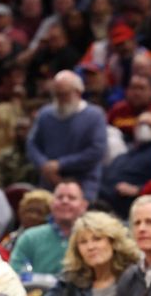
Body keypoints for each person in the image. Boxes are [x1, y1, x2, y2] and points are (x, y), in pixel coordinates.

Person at [27, 70, 107, 201]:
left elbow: (96, 151)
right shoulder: (45, 114)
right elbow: (32, 144)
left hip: (83, 183)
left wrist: (60, 164)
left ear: (78, 92)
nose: (60, 99)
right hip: (49, 181)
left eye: (64, 94)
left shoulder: (95, 116)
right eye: (57, 95)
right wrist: (44, 166)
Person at [47, 211, 140, 296]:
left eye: (97, 239)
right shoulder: (69, 282)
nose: (90, 247)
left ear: (113, 242)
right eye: (83, 242)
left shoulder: (136, 278)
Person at [10, 180, 89, 276]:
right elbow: (14, 274)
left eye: (71, 198)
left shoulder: (94, 240)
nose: (65, 201)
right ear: (51, 204)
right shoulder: (30, 237)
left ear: (84, 205)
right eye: (60, 197)